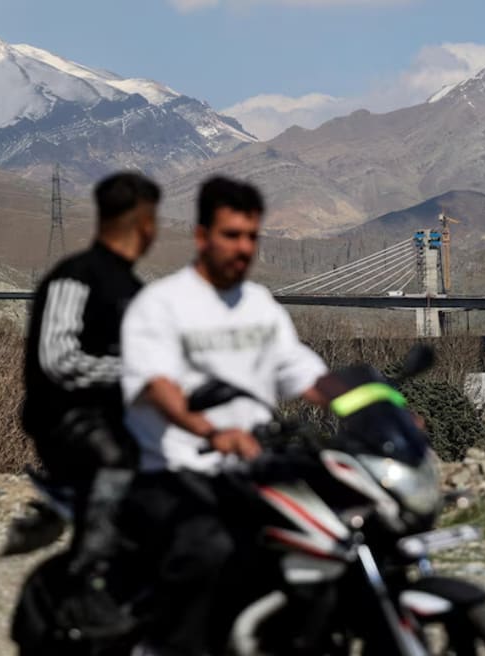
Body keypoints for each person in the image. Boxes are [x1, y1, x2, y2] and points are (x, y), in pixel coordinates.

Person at [120, 176, 333, 656]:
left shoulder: (260, 306)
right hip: (171, 471)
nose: (243, 248)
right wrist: (212, 432)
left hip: (250, 469)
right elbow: (159, 386)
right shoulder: (161, 305)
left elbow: (305, 375)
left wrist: (378, 405)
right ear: (201, 237)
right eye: (231, 235)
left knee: (336, 534)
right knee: (211, 553)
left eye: (252, 236)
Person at [21, 171, 160, 571]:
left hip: (120, 417)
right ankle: (91, 571)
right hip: (67, 420)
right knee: (120, 466)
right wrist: (136, 374)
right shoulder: (74, 277)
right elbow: (58, 359)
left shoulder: (133, 287)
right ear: (143, 223)